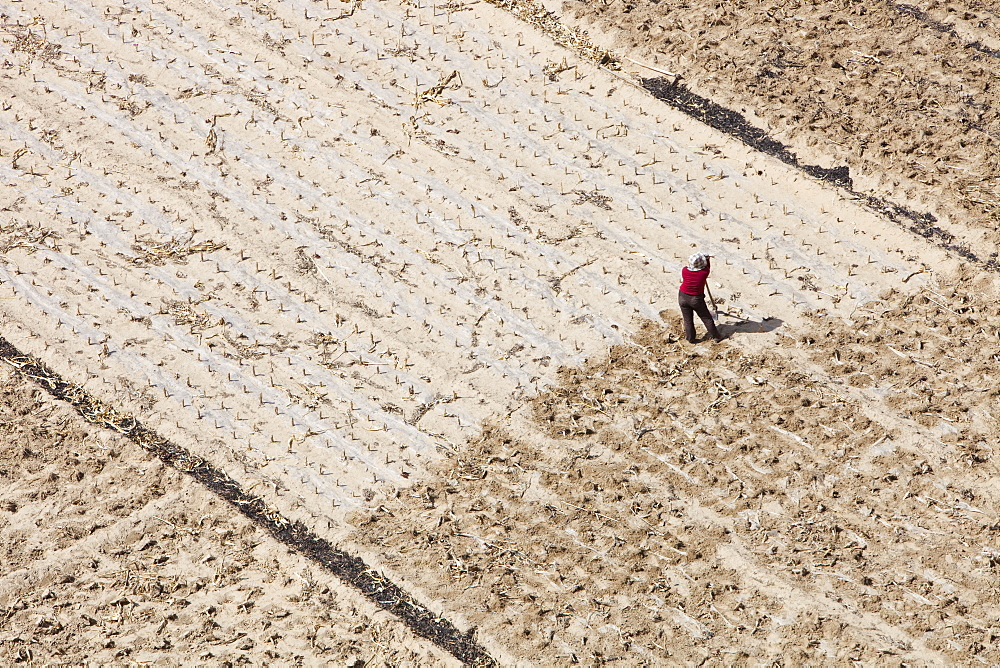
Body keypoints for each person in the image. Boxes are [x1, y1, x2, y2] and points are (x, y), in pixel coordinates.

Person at [678, 252, 723, 343]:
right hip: (695, 299)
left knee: (688, 320)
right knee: (706, 318)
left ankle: (690, 338)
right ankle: (716, 336)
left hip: (682, 296)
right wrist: (708, 259)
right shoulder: (703, 273)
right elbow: (707, 267)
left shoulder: (684, 270)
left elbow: (691, 267)